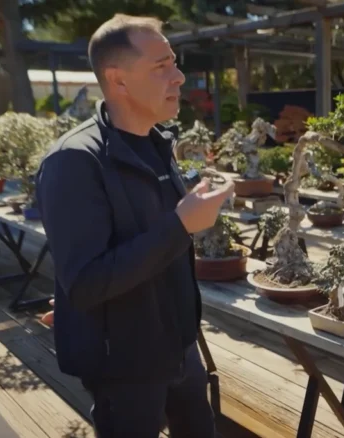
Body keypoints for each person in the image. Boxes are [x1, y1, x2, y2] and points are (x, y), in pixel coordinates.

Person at [35, 14, 234, 438]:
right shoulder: (73, 161)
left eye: (174, 63)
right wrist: (183, 224)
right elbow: (85, 281)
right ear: (118, 81)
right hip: (124, 367)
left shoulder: (157, 143)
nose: (179, 77)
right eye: (161, 67)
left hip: (181, 346)